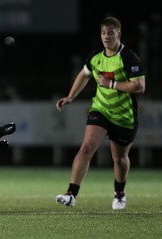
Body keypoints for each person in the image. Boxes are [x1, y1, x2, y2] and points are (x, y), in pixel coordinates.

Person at [55, 16, 145, 209]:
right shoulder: (95, 57)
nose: (106, 37)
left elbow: (139, 86)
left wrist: (111, 84)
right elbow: (84, 74)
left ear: (118, 34)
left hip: (124, 117)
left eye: (110, 33)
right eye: (103, 33)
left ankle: (119, 193)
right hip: (101, 110)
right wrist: (71, 96)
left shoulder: (129, 58)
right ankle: (71, 194)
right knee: (86, 148)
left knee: (119, 160)